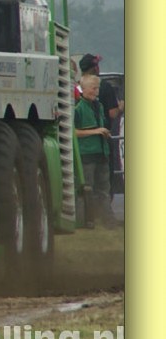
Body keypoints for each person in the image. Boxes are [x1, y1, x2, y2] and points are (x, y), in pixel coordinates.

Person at [74, 73, 117, 229]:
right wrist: (96, 131)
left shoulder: (99, 106)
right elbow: (73, 132)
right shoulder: (78, 109)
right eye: (93, 88)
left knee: (104, 190)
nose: (96, 91)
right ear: (84, 89)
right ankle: (85, 221)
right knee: (86, 189)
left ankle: (108, 221)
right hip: (86, 154)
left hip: (102, 153)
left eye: (97, 88)